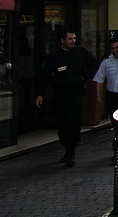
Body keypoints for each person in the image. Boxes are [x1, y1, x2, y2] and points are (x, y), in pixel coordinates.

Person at [35, 28, 97, 167]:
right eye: (70, 39)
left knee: (74, 121)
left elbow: (94, 66)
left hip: (76, 93)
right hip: (60, 94)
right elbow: (44, 75)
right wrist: (40, 93)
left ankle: (71, 151)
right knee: (63, 123)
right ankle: (67, 146)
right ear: (62, 40)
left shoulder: (82, 52)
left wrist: (83, 78)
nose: (73, 41)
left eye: (74, 38)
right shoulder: (54, 56)